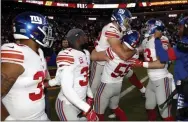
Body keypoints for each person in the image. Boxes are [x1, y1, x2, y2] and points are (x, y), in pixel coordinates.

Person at [1, 11, 54, 120]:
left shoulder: (39, 52)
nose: (48, 33)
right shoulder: (17, 53)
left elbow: (36, 83)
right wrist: (7, 119)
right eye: (44, 29)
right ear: (33, 30)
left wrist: (56, 81)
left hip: (41, 115)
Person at [90, 8, 145, 97]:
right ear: (120, 18)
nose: (128, 23)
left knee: (129, 72)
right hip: (101, 61)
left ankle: (143, 89)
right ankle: (88, 108)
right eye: (127, 21)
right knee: (94, 87)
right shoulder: (111, 29)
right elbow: (123, 55)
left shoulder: (119, 29)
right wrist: (136, 50)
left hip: (112, 58)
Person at [128, 19, 175, 121]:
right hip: (152, 80)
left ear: (154, 28)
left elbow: (161, 64)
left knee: (165, 113)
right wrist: (129, 52)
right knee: (149, 106)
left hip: (162, 79)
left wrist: (141, 64)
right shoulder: (147, 40)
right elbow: (140, 48)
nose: (145, 29)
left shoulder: (162, 40)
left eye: (148, 27)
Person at [49, 29, 98, 121]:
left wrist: (90, 95)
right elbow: (66, 87)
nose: (86, 37)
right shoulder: (67, 54)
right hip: (67, 104)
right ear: (78, 38)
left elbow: (84, 77)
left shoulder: (85, 53)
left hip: (81, 101)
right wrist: (86, 108)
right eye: (84, 35)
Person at [94, 30, 141, 121]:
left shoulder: (113, 52)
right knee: (115, 108)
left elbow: (95, 56)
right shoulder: (135, 54)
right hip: (118, 85)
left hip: (106, 85)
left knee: (98, 113)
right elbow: (128, 54)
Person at [154, 17, 188, 121]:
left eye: (181, 26)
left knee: (182, 116)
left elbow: (163, 56)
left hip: (185, 85)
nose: (179, 28)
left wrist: (157, 39)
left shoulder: (183, 44)